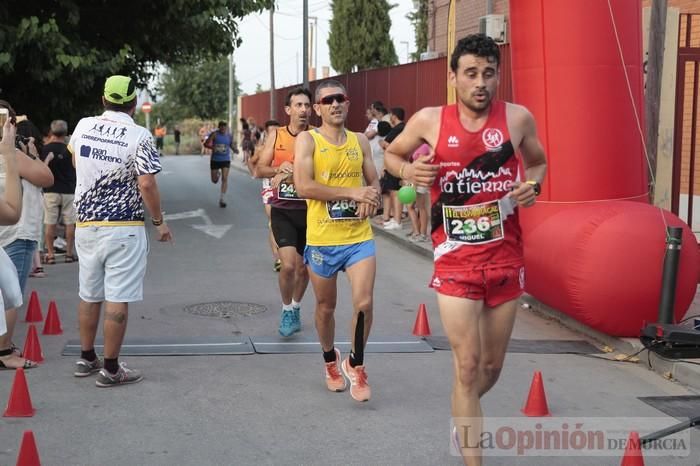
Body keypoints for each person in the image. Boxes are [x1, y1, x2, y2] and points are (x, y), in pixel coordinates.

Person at [384, 34, 547, 465]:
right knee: (468, 365)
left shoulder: (517, 120)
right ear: (453, 76)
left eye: (489, 74)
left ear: (498, 76)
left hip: (506, 257)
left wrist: (533, 185)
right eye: (471, 73)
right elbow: (391, 156)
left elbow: (539, 162)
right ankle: (472, 453)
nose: (481, 83)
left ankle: (463, 409)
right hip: (454, 257)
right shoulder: (429, 120)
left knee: (490, 369)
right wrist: (408, 168)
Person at [69, 75, 172, 387]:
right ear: (134, 104)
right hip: (123, 228)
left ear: (103, 100)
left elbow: (77, 161)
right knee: (117, 296)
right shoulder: (139, 136)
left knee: (89, 293)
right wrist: (159, 222)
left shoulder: (83, 126)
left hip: (85, 224)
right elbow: (147, 182)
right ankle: (111, 369)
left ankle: (87, 357)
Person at [294, 80, 381, 402]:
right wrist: (352, 192)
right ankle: (330, 359)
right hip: (322, 239)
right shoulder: (308, 140)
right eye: (327, 100)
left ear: (348, 103)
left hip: (358, 238)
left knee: (364, 302)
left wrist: (370, 197)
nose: (335, 104)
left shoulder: (360, 141)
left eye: (340, 98)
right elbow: (304, 186)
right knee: (325, 307)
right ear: (317, 108)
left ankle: (356, 364)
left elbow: (373, 183)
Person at [255, 87, 312, 336]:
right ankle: (287, 309)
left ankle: (296, 306)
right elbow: (259, 169)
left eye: (306, 105)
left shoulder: (317, 137)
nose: (303, 110)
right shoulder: (277, 136)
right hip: (283, 210)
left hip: (311, 212)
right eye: (298, 105)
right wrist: (281, 167)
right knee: (288, 266)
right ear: (288, 110)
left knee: (305, 269)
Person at [0, 101, 35, 370]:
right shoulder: (12, 154)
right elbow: (11, 211)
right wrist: (11, 155)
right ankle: (3, 351)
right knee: (11, 293)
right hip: (15, 232)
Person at [1, 119, 55, 297]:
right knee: (10, 298)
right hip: (15, 234)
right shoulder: (14, 155)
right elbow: (46, 178)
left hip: (13, 234)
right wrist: (32, 156)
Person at [41, 119, 77, 264]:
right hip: (69, 189)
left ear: (51, 131)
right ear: (65, 132)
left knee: (50, 223)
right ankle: (69, 253)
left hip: (51, 190)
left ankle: (50, 255)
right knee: (70, 223)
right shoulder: (70, 149)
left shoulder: (45, 149)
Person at [247, 120, 281, 272]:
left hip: (286, 191)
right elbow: (251, 161)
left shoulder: (287, 146)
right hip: (269, 189)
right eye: (271, 130)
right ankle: (278, 258)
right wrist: (254, 174)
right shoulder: (262, 149)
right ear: (266, 132)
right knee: (274, 222)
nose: (274, 133)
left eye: (277, 130)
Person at [204, 121, 235, 208]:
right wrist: (212, 147)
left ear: (226, 128)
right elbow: (205, 144)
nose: (223, 129)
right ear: (219, 128)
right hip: (215, 160)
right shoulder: (214, 134)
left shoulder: (229, 135)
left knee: (225, 179)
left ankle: (222, 199)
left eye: (224, 128)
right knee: (214, 181)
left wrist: (235, 149)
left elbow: (231, 145)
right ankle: (217, 174)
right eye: (221, 128)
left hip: (225, 159)